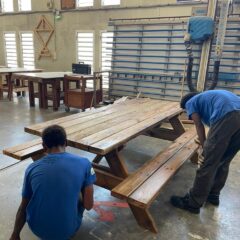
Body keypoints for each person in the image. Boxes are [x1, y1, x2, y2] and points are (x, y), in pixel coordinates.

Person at [10, 125, 96, 240]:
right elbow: (89, 206)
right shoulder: (84, 163)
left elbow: (23, 207)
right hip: (67, 231)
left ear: (44, 146)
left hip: (37, 228)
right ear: (66, 143)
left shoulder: (32, 168)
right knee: (80, 191)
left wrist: (15, 235)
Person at [171, 90, 240, 214]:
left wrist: (204, 147)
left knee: (208, 162)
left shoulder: (191, 102)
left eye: (187, 112)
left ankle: (193, 203)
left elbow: (198, 125)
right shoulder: (208, 98)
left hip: (228, 115)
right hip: (235, 114)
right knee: (224, 161)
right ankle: (213, 195)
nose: (189, 115)